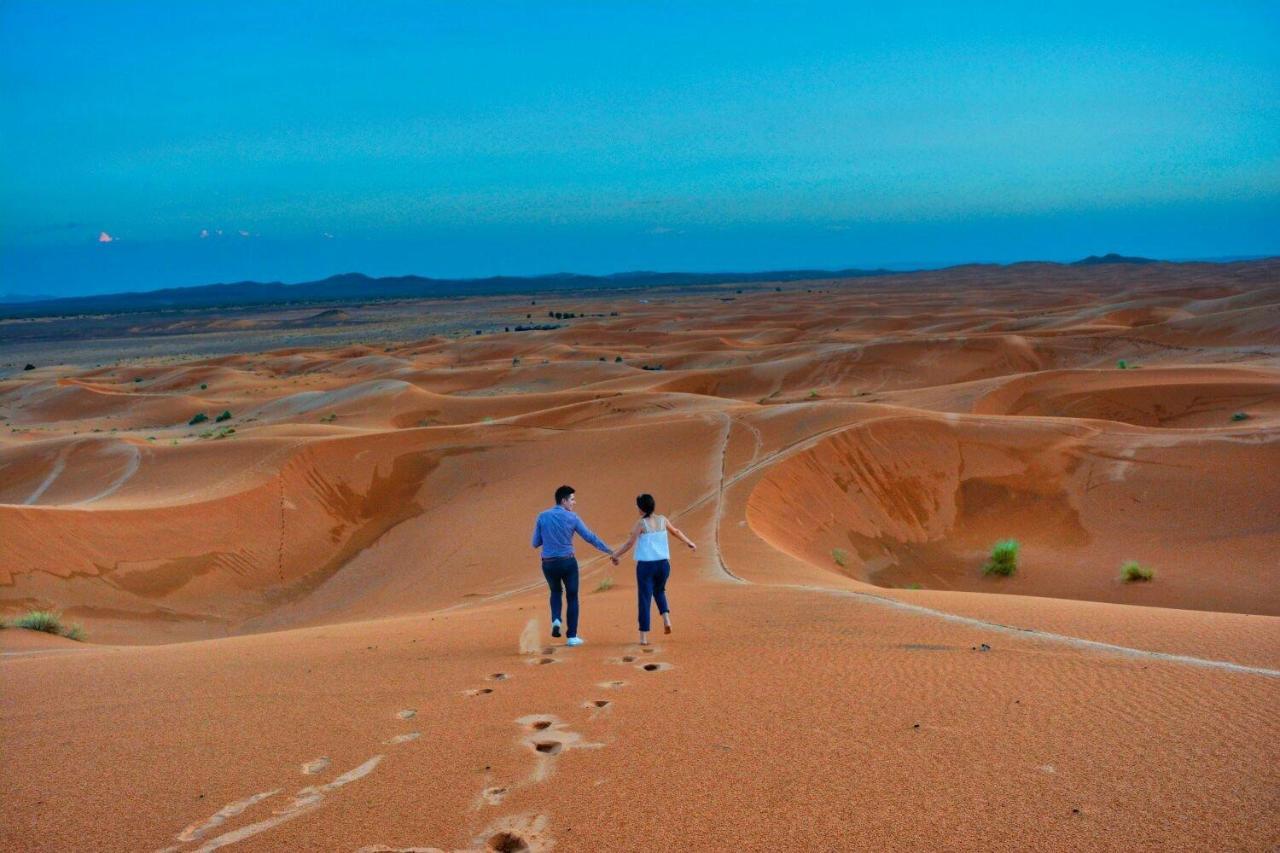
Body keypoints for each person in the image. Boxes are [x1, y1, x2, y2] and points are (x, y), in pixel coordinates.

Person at [531, 485, 613, 647]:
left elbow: (535, 543)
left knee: (555, 591)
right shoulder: (573, 517)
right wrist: (609, 550)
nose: (574, 503)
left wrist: (549, 536)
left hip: (548, 564)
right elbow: (589, 537)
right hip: (568, 562)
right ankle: (572, 636)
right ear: (564, 500)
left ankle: (556, 619)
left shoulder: (542, 516)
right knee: (572, 597)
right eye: (572, 499)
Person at [610, 493, 695, 645]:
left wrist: (615, 555)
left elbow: (630, 543)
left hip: (646, 566)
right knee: (659, 590)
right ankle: (666, 618)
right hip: (663, 565)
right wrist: (689, 542)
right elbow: (676, 531)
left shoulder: (641, 524)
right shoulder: (663, 519)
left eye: (638, 506)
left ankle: (643, 637)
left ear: (641, 508)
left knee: (644, 599)